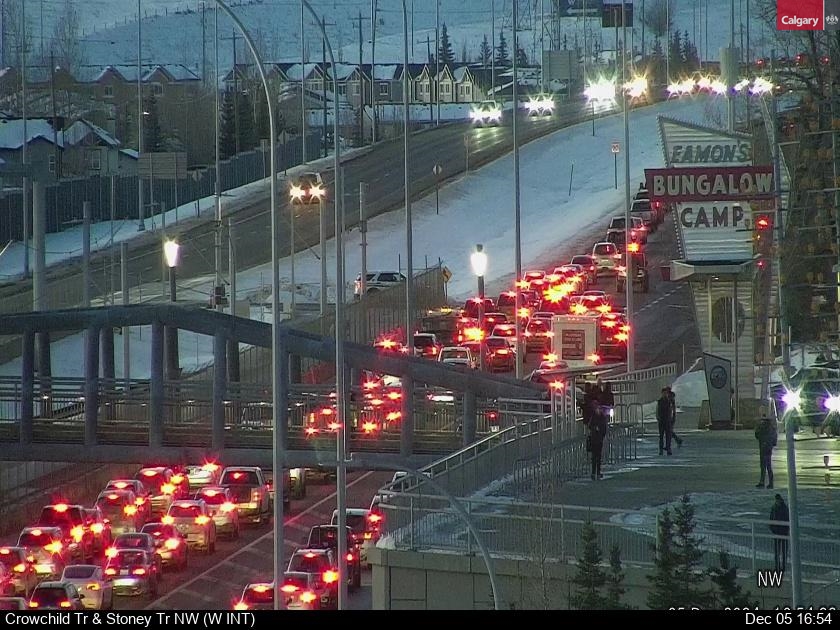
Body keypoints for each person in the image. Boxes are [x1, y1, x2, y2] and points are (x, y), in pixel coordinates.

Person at [755, 416, 778, 488]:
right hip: (768, 449)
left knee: (764, 466)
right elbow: (774, 440)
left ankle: (763, 482)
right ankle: (770, 483)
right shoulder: (772, 429)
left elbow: (757, 435)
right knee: (768, 466)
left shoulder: (763, 429)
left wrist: (758, 427)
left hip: (763, 449)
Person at [769, 494, 789, 572]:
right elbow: (771, 519)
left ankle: (782, 566)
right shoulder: (775, 508)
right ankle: (777, 566)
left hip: (782, 532)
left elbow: (787, 519)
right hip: (777, 532)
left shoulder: (782, 508)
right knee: (778, 551)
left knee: (782, 551)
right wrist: (773, 529)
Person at [589, 402, 608, 480]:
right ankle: (594, 472)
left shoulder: (600, 417)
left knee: (597, 456)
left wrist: (600, 432)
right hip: (595, 438)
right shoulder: (596, 417)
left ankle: (597, 472)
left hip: (598, 438)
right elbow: (590, 426)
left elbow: (604, 428)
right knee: (595, 456)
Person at [656, 387, 673, 455]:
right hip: (661, 420)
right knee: (661, 436)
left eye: (666, 393)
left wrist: (671, 418)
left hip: (667, 420)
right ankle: (661, 449)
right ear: (662, 393)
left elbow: (671, 410)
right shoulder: (659, 401)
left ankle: (668, 449)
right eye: (664, 393)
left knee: (668, 436)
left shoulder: (669, 401)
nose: (665, 394)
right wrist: (658, 418)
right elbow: (657, 410)